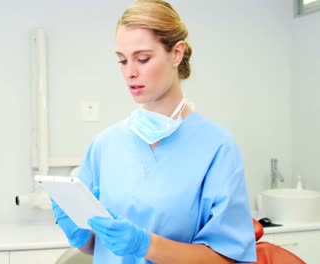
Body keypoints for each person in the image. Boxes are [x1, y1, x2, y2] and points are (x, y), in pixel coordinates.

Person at [51, 0, 256, 263]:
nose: (130, 73)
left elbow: (226, 258)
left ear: (177, 53)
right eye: (122, 61)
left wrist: (146, 245)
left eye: (143, 59)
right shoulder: (105, 145)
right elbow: (99, 246)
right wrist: (80, 234)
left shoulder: (217, 147)